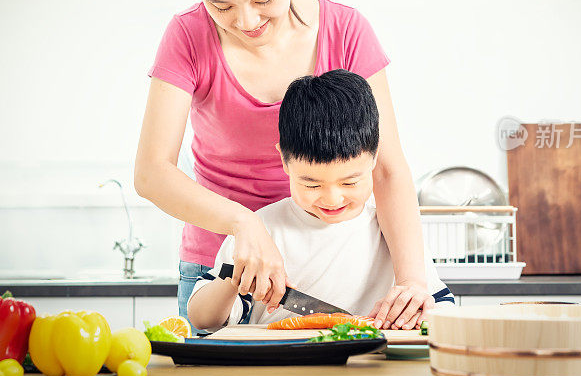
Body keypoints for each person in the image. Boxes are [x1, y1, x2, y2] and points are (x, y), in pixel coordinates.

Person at [134, 0, 432, 332]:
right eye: (221, 6)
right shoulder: (187, 36)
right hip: (224, 273)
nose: (246, 20)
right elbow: (151, 173)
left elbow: (386, 169)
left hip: (330, 257)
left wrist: (411, 280)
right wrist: (244, 225)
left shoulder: (346, 30)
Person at [187, 70, 455, 330]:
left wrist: (417, 310)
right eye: (311, 183)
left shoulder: (393, 232)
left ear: (374, 158)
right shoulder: (262, 229)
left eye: (350, 182)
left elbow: (444, 310)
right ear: (284, 160)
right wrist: (234, 279)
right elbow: (202, 320)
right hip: (282, 369)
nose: (332, 198)